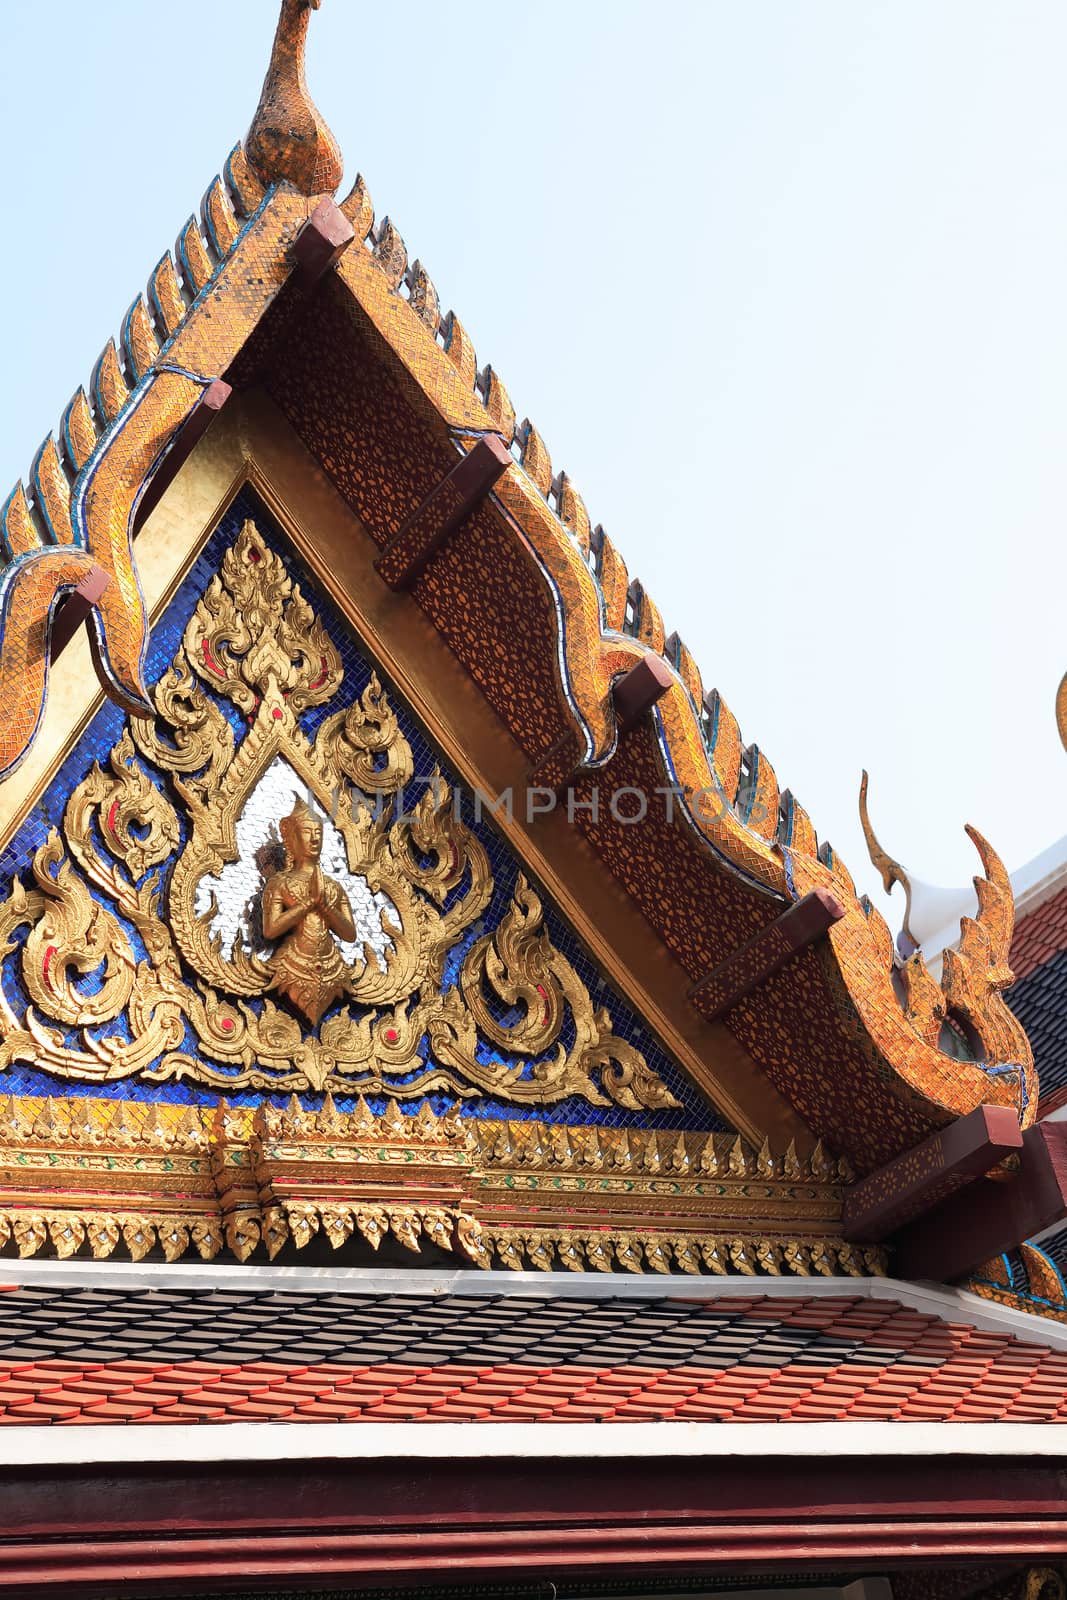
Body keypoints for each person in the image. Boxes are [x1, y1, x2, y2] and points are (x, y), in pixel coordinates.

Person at [260, 797, 355, 1024]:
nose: (314, 838)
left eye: (318, 833)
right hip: (293, 963)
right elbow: (271, 930)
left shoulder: (333, 887)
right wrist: (307, 904)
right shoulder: (280, 883)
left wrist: (325, 907)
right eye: (306, 831)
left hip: (332, 967)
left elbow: (350, 934)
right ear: (292, 837)